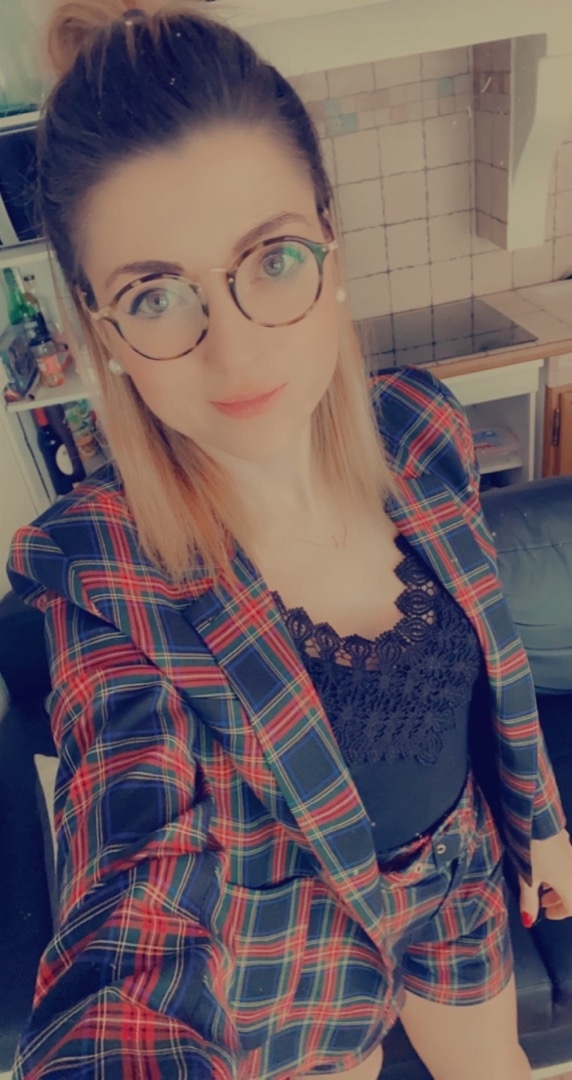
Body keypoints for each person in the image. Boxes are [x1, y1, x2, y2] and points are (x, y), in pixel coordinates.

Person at [7, 2, 572, 1078]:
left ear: (328, 239)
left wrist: (539, 821)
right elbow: (128, 905)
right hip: (291, 968)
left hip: (457, 877)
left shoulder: (422, 433)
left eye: (270, 259)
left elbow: (493, 668)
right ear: (100, 328)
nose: (235, 353)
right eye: (156, 296)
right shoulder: (100, 576)